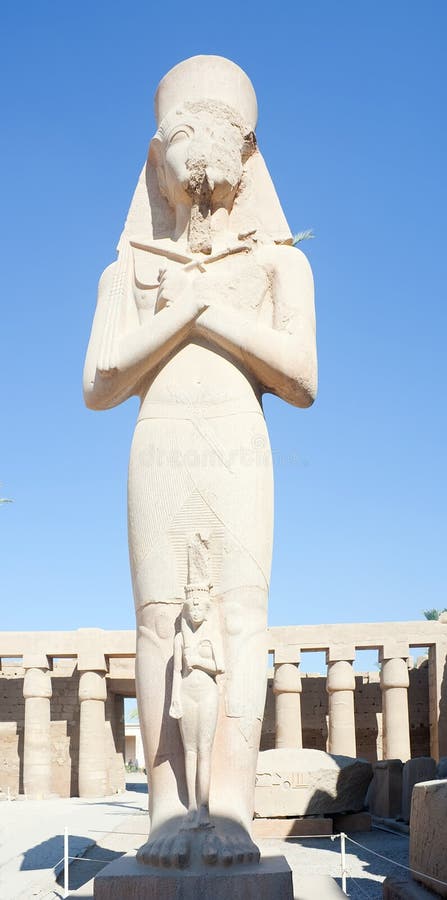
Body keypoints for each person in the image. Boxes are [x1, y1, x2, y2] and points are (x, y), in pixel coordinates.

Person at [83, 55, 317, 868]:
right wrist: (178, 305)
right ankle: (162, 812)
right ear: (156, 158)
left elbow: (301, 378)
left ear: (249, 153)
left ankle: (229, 814)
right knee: (157, 622)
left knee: (241, 621)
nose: (202, 148)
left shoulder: (281, 262)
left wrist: (206, 309)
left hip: (238, 448)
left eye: (219, 132)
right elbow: (100, 382)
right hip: (159, 447)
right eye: (184, 132)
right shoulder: (131, 268)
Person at [170, 582, 224, 830]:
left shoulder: (212, 636)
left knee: (205, 750)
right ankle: (191, 805)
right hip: (186, 691)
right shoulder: (180, 638)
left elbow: (219, 666)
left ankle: (205, 807)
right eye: (191, 608)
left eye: (199, 607)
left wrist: (198, 660)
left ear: (206, 610)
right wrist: (175, 698)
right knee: (189, 751)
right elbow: (176, 673)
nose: (195, 612)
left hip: (207, 692)